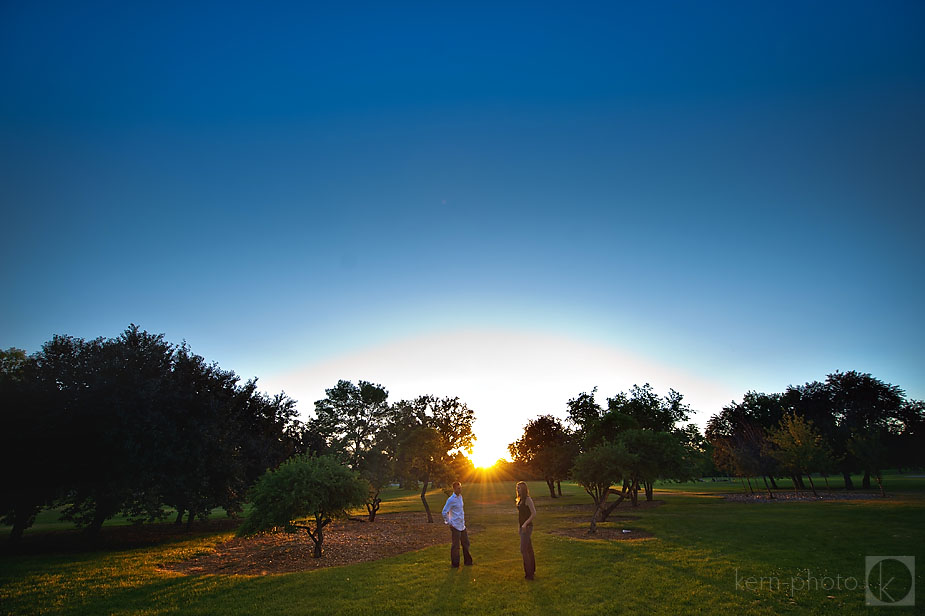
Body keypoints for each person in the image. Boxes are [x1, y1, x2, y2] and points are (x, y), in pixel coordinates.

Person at [442, 481, 473, 567]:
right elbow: (444, 512)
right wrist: (449, 522)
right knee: (456, 546)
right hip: (455, 526)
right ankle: (455, 564)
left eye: (461, 488)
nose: (460, 490)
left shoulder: (460, 497)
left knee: (466, 543)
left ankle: (468, 562)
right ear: (454, 489)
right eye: (458, 488)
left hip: (462, 525)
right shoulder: (451, 500)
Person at [516, 481, 536, 580]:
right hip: (522, 527)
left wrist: (525, 524)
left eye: (519, 488)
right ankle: (532, 570)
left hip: (527, 527)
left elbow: (534, 513)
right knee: (529, 549)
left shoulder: (528, 499)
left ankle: (529, 574)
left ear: (523, 489)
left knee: (523, 550)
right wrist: (520, 526)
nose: (517, 490)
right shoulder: (520, 500)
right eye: (517, 488)